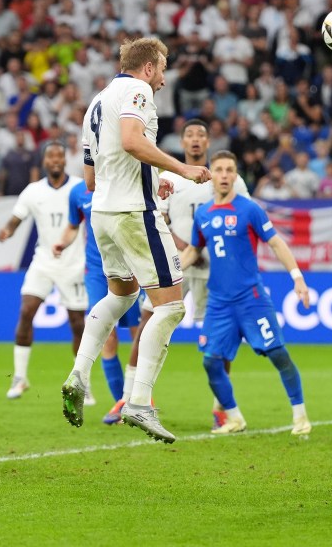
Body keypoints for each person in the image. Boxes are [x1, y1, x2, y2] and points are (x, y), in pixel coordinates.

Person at [60, 37, 210, 444]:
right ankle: (139, 401)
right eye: (161, 68)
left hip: (103, 214)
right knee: (172, 306)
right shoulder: (137, 90)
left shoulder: (98, 100)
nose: (163, 78)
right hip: (132, 213)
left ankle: (78, 373)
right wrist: (181, 168)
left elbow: (91, 176)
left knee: (122, 296)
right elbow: (130, 139)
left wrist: (150, 176)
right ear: (147, 68)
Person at [124, 119, 251, 429]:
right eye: (190, 135)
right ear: (182, 143)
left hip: (216, 271)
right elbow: (156, 219)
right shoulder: (169, 178)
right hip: (176, 263)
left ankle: (221, 407)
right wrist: (187, 244)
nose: (195, 140)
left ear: (208, 143)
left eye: (201, 135)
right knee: (148, 322)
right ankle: (129, 399)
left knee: (221, 337)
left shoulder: (226, 178)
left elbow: (244, 217)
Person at [180, 150, 312, 436]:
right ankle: (234, 417)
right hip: (218, 302)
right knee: (211, 361)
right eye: (219, 170)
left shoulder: (249, 209)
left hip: (250, 299)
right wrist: (172, 270)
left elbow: (276, 244)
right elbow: (193, 250)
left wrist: (297, 278)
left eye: (230, 170)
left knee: (277, 353)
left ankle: (300, 416)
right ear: (211, 175)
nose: (224, 175)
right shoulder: (203, 214)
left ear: (236, 175)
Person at [0, 142, 87, 400]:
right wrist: (7, 231)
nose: (56, 159)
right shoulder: (33, 191)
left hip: (74, 263)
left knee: (78, 325)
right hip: (43, 261)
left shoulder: (78, 187)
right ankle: (20, 377)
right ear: (44, 162)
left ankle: (82, 382)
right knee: (26, 311)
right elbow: (17, 219)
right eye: (51, 156)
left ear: (64, 160)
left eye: (60, 155)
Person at [53, 177, 142, 425]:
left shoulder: (124, 182)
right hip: (97, 272)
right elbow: (73, 225)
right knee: (108, 336)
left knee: (140, 335)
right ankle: (122, 404)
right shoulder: (78, 192)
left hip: (131, 267)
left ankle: (141, 397)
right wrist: (62, 241)